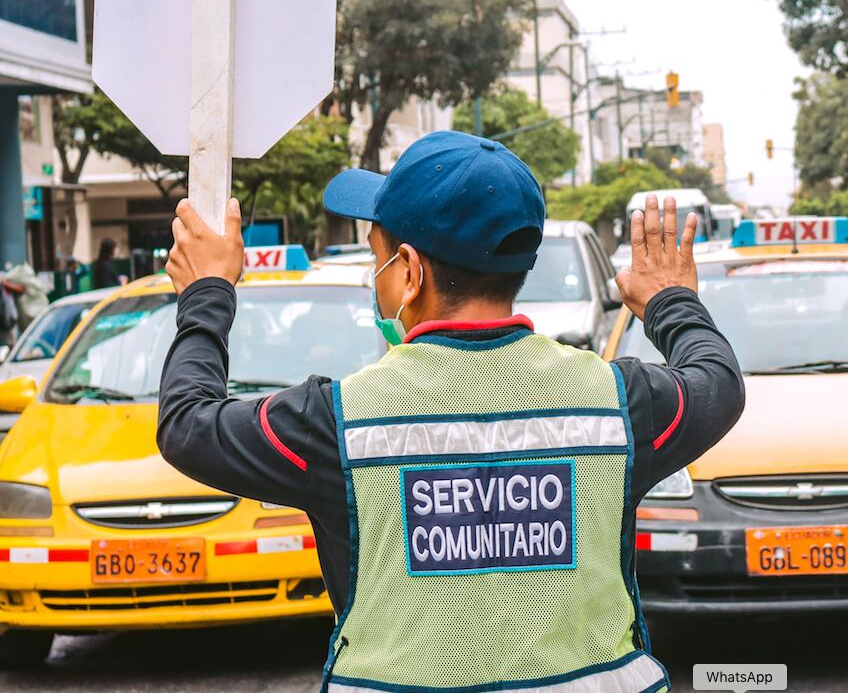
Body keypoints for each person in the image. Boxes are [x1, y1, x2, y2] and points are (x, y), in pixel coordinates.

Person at [156, 131, 744, 692]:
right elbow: (716, 381)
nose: (375, 274)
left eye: (376, 256)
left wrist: (207, 290)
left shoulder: (335, 422)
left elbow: (188, 424)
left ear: (409, 271)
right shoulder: (619, 406)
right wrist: (669, 299)